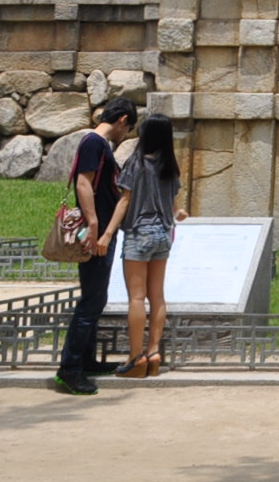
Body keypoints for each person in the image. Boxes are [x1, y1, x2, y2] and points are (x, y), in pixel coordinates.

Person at [52, 98, 138, 395]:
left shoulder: (99, 146)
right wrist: (93, 225)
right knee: (90, 302)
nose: (125, 136)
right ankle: (70, 368)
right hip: (95, 234)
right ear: (123, 119)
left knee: (95, 297)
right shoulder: (94, 142)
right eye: (128, 129)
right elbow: (83, 184)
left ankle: (85, 359)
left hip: (100, 232)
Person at [106, 115, 188, 379]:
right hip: (164, 233)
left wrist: (107, 233)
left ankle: (135, 357)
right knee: (158, 296)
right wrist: (178, 213)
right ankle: (154, 352)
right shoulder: (170, 166)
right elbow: (174, 204)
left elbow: (125, 200)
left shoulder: (136, 164)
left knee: (137, 298)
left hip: (139, 232)